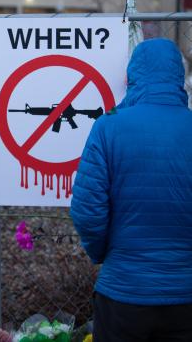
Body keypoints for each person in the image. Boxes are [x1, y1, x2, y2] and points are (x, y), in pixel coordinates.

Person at [70, 38, 192, 342]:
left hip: (124, 291)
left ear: (132, 76)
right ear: (179, 77)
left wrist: (105, 254)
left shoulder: (108, 127)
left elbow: (87, 209)